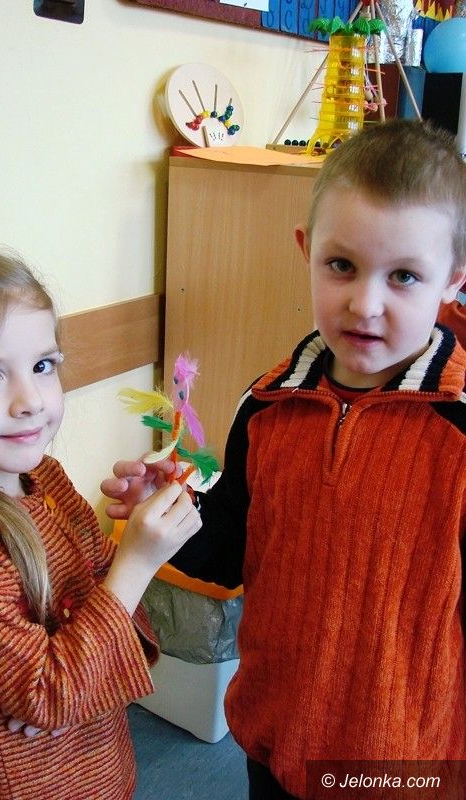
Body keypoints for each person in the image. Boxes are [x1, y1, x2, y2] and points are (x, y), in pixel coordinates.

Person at [101, 119, 466, 799]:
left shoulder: (459, 429)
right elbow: (228, 550)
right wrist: (171, 509)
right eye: (341, 265)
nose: (365, 303)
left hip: (405, 763)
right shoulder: (267, 406)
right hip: (274, 740)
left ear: (452, 280)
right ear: (306, 250)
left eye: (405, 276)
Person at [0, 244, 201, 800]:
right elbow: (50, 696)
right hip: (21, 785)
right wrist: (136, 563)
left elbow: (109, 611)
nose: (30, 401)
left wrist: (138, 536)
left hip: (98, 761)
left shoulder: (42, 478)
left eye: (43, 366)